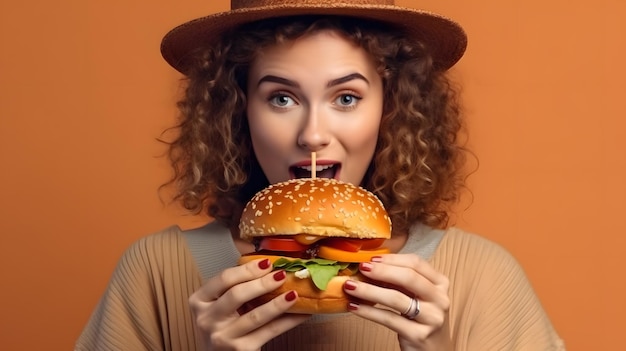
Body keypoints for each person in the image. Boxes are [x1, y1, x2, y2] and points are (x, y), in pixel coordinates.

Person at [76, 1, 565, 350]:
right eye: (281, 98)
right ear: (237, 109)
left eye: (346, 97)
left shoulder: (482, 275)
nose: (313, 135)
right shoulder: (156, 271)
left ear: (390, 109)